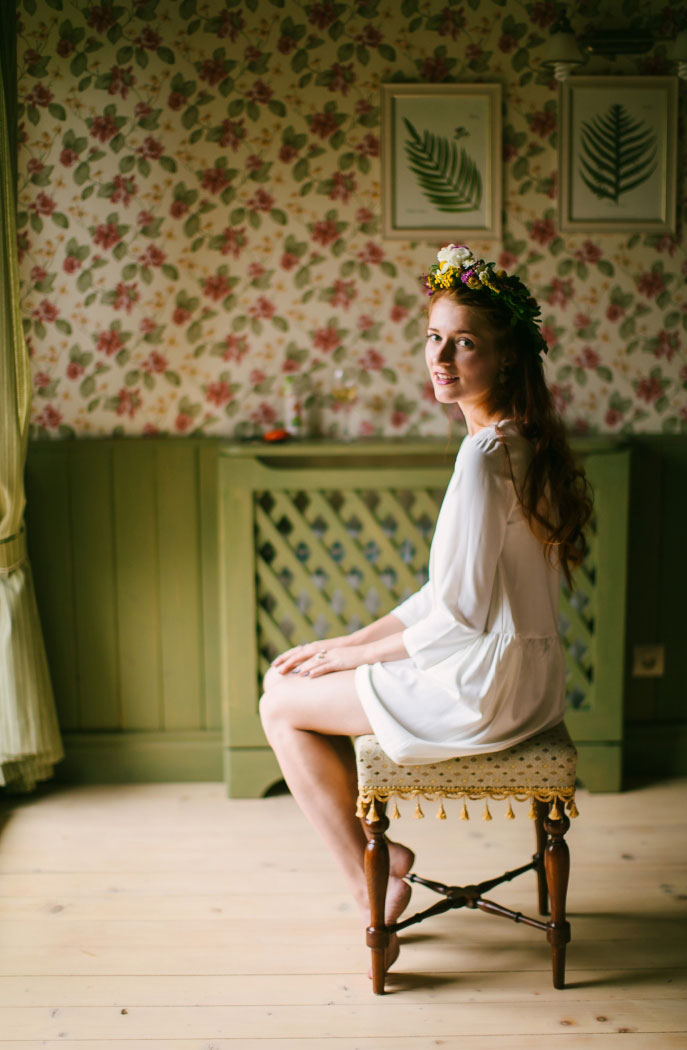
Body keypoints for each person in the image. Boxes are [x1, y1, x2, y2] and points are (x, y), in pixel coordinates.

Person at [259, 243, 592, 973]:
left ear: (504, 359)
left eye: (464, 343)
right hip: (527, 684)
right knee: (302, 684)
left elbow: (457, 619)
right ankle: (385, 856)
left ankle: (368, 885)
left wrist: (345, 658)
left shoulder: (482, 459)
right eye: (433, 337)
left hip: (478, 690)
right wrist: (351, 637)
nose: (441, 358)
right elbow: (441, 598)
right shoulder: (516, 440)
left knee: (280, 703)